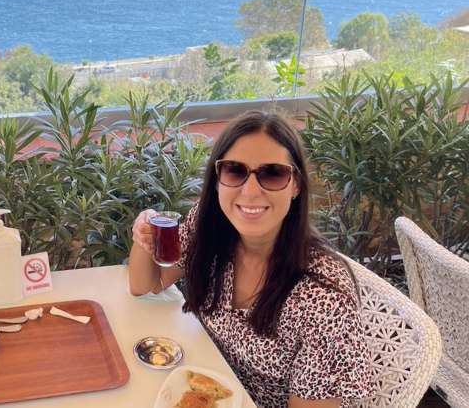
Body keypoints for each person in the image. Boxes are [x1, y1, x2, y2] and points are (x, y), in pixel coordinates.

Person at [129, 110, 376, 408]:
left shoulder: (323, 301)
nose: (250, 190)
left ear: (296, 184)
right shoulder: (212, 228)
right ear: (218, 179)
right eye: (235, 170)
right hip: (212, 387)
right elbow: (147, 284)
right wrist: (143, 233)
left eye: (273, 173)